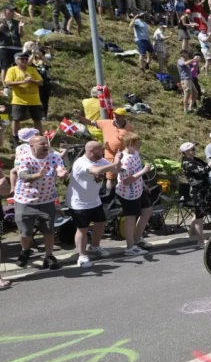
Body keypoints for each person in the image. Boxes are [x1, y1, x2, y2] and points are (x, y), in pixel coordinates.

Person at [14, 136, 68, 269]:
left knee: (49, 230)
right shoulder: (23, 158)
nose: (45, 146)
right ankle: (25, 251)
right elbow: (24, 177)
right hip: (25, 200)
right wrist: (39, 174)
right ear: (31, 146)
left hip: (46, 200)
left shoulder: (54, 157)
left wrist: (62, 173)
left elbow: (60, 169)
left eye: (47, 143)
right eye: (41, 144)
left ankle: (49, 256)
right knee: (26, 232)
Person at [66, 142, 122, 267]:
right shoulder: (81, 163)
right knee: (82, 229)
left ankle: (95, 247)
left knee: (101, 223)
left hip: (94, 200)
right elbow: (96, 170)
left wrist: (117, 160)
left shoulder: (101, 160)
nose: (102, 152)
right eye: (100, 150)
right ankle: (82, 256)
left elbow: (116, 170)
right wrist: (114, 163)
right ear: (91, 151)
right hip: (79, 203)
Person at [77, 107, 135, 189]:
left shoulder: (129, 127)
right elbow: (90, 122)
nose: (115, 116)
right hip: (110, 157)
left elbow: (132, 140)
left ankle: (120, 192)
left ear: (124, 117)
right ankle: (110, 195)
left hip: (124, 157)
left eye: (118, 115)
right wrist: (79, 117)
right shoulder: (106, 123)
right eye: (115, 114)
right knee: (110, 178)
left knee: (124, 176)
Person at [115, 132, 153, 256]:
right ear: (130, 144)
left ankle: (137, 239)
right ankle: (130, 247)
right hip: (127, 193)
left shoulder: (135, 154)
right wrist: (143, 171)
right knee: (130, 218)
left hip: (138, 189)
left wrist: (143, 185)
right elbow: (125, 181)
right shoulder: (125, 160)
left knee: (147, 211)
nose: (140, 145)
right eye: (138, 143)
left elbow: (136, 171)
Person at [4, 51, 43, 145]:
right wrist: (23, 82)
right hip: (19, 100)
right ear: (16, 60)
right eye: (22, 59)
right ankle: (16, 139)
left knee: (37, 120)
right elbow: (8, 83)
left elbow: (41, 82)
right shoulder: (12, 70)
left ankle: (40, 138)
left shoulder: (32, 69)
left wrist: (32, 81)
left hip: (34, 100)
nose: (25, 60)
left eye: (26, 58)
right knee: (16, 119)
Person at [179, 142, 211, 246]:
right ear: (186, 152)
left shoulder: (195, 160)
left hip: (203, 189)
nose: (194, 150)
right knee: (199, 216)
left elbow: (206, 166)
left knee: (198, 213)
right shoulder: (187, 163)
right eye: (192, 149)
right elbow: (203, 170)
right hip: (197, 191)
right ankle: (201, 240)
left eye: (194, 148)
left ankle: (191, 233)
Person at [0, 4, 23, 84]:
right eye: (10, 10)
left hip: (17, 47)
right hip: (4, 47)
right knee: (5, 67)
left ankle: (15, 83)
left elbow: (21, 35)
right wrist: (1, 25)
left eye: (13, 11)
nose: (13, 12)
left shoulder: (16, 22)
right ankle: (5, 86)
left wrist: (20, 28)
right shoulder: (0, 21)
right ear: (4, 11)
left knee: (17, 66)